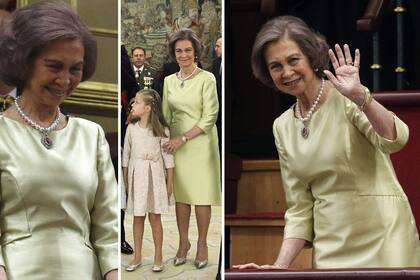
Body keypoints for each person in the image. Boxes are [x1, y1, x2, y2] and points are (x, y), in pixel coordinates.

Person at [234, 15, 420, 269]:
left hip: (384, 238)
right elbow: (299, 208)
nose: (287, 72)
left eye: (293, 60)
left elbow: (395, 139)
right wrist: (279, 266)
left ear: (311, 57)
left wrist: (361, 97)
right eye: (275, 66)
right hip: (330, 247)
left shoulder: (347, 100)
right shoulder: (282, 126)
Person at [0, 2, 118, 279]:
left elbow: (108, 235)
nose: (65, 80)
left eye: (75, 69)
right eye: (54, 66)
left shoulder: (91, 135)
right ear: (25, 61)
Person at [162, 28, 221, 269]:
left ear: (196, 52)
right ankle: (184, 243)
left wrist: (183, 138)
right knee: (183, 198)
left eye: (188, 50)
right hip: (176, 145)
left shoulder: (208, 78)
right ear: (173, 54)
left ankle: (203, 244)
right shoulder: (168, 80)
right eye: (179, 51)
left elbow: (210, 116)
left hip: (200, 143)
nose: (183, 55)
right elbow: (165, 115)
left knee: (202, 197)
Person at [122, 89, 174, 272]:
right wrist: (126, 182)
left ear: (148, 108)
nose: (133, 105)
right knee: (137, 218)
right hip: (137, 177)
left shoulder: (162, 130)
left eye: (136, 102)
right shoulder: (131, 129)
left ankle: (158, 255)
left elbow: (169, 160)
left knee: (154, 217)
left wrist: (169, 184)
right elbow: (126, 157)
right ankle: (137, 255)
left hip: (155, 177)